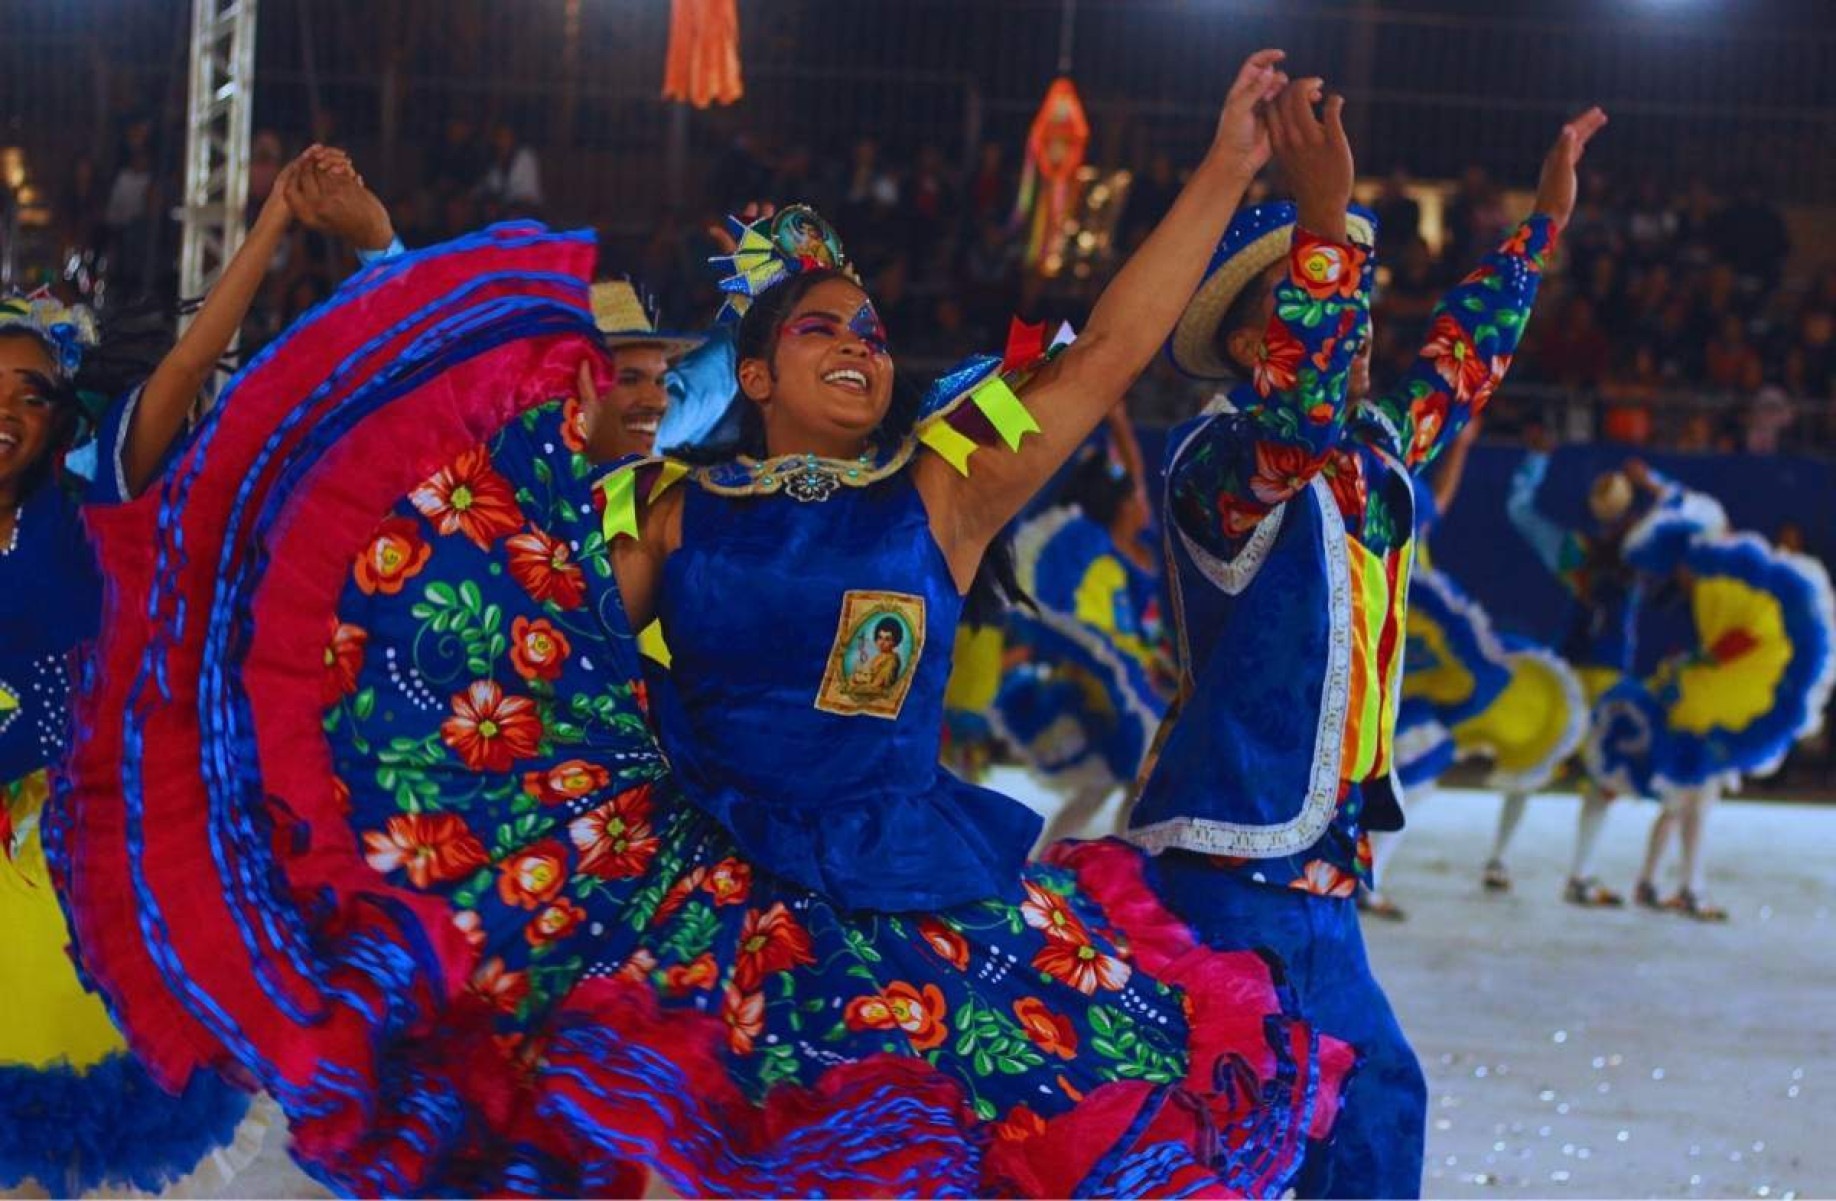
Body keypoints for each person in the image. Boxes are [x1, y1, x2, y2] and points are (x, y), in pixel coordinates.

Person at [60, 58, 1364, 1198]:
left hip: (911, 904)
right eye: (820, 328)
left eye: (870, 328)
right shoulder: (677, 510)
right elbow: (525, 596)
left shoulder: (949, 479)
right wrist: (394, 260)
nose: (859, 344)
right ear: (753, 375)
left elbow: (1105, 361)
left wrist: (1221, 169)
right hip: (701, 903)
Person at [1131, 101, 1605, 1197]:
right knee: (1275, 1121)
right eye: (1323, 290)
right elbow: (1293, 425)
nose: (1358, 331)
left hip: (1317, 872)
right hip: (1232, 863)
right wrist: (1323, 216)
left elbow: (1456, 365)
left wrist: (1541, 228)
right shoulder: (1221, 464)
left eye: (1354, 296)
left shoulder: (1370, 456)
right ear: (1262, 340)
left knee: (1344, 1112)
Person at [0, 145, 377, 1197]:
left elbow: (184, 364)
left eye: (31, 394)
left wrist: (269, 227)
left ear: (61, 416)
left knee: (87, 1116)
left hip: (74, 861)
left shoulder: (93, 509)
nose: (7, 410)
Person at [1588, 487, 1835, 921]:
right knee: (1693, 802)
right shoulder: (1715, 584)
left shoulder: (1711, 584)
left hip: (1701, 697)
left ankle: (1659, 882)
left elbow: (1734, 639)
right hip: (1706, 703)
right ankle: (1686, 887)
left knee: (1684, 802)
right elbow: (1741, 640)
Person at [1377, 417, 1588, 918]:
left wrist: (1463, 447)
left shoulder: (1402, 499)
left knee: (1416, 770)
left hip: (1410, 643)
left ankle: (1363, 876)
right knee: (1413, 763)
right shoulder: (1381, 498)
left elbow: (1436, 506)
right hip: (1400, 635)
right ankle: (1358, 877)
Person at [986, 411, 1173, 849]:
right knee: (1138, 768)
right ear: (1122, 505)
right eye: (1135, 498)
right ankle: (1063, 862)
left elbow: (1137, 479)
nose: (1144, 503)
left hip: (1141, 667)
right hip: (1108, 671)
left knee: (1115, 780)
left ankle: (1071, 861)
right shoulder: (1090, 542)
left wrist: (1123, 424)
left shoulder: (1137, 542)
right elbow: (1065, 613)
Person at [1500, 430, 1672, 902]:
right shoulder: (1637, 549)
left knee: (1539, 760)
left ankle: (1502, 859)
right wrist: (1653, 483)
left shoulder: (1579, 549)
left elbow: (1521, 511)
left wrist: (1535, 461)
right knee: (1597, 776)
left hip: (1572, 667)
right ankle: (1577, 873)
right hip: (1601, 671)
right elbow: (1687, 516)